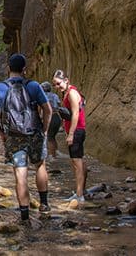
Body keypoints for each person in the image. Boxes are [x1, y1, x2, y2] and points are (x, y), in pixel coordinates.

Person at [0, 53, 52, 220]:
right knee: (39, 165)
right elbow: (48, 109)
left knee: (20, 173)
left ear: (8, 68)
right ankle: (44, 204)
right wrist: (44, 130)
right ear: (24, 69)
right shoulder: (34, 86)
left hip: (14, 137)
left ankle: (24, 215)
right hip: (34, 132)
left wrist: (2, 134)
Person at [52, 70, 87, 204]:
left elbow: (76, 114)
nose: (57, 87)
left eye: (58, 83)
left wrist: (71, 134)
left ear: (66, 80)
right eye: (55, 85)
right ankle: (81, 191)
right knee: (80, 162)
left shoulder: (72, 93)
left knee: (76, 163)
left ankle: (79, 195)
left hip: (77, 131)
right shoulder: (68, 92)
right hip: (78, 130)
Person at [40, 82, 62, 158]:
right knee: (53, 136)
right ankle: (56, 152)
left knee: (49, 137)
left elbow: (40, 108)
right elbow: (59, 106)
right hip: (57, 117)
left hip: (49, 117)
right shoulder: (55, 96)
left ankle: (52, 156)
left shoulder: (42, 96)